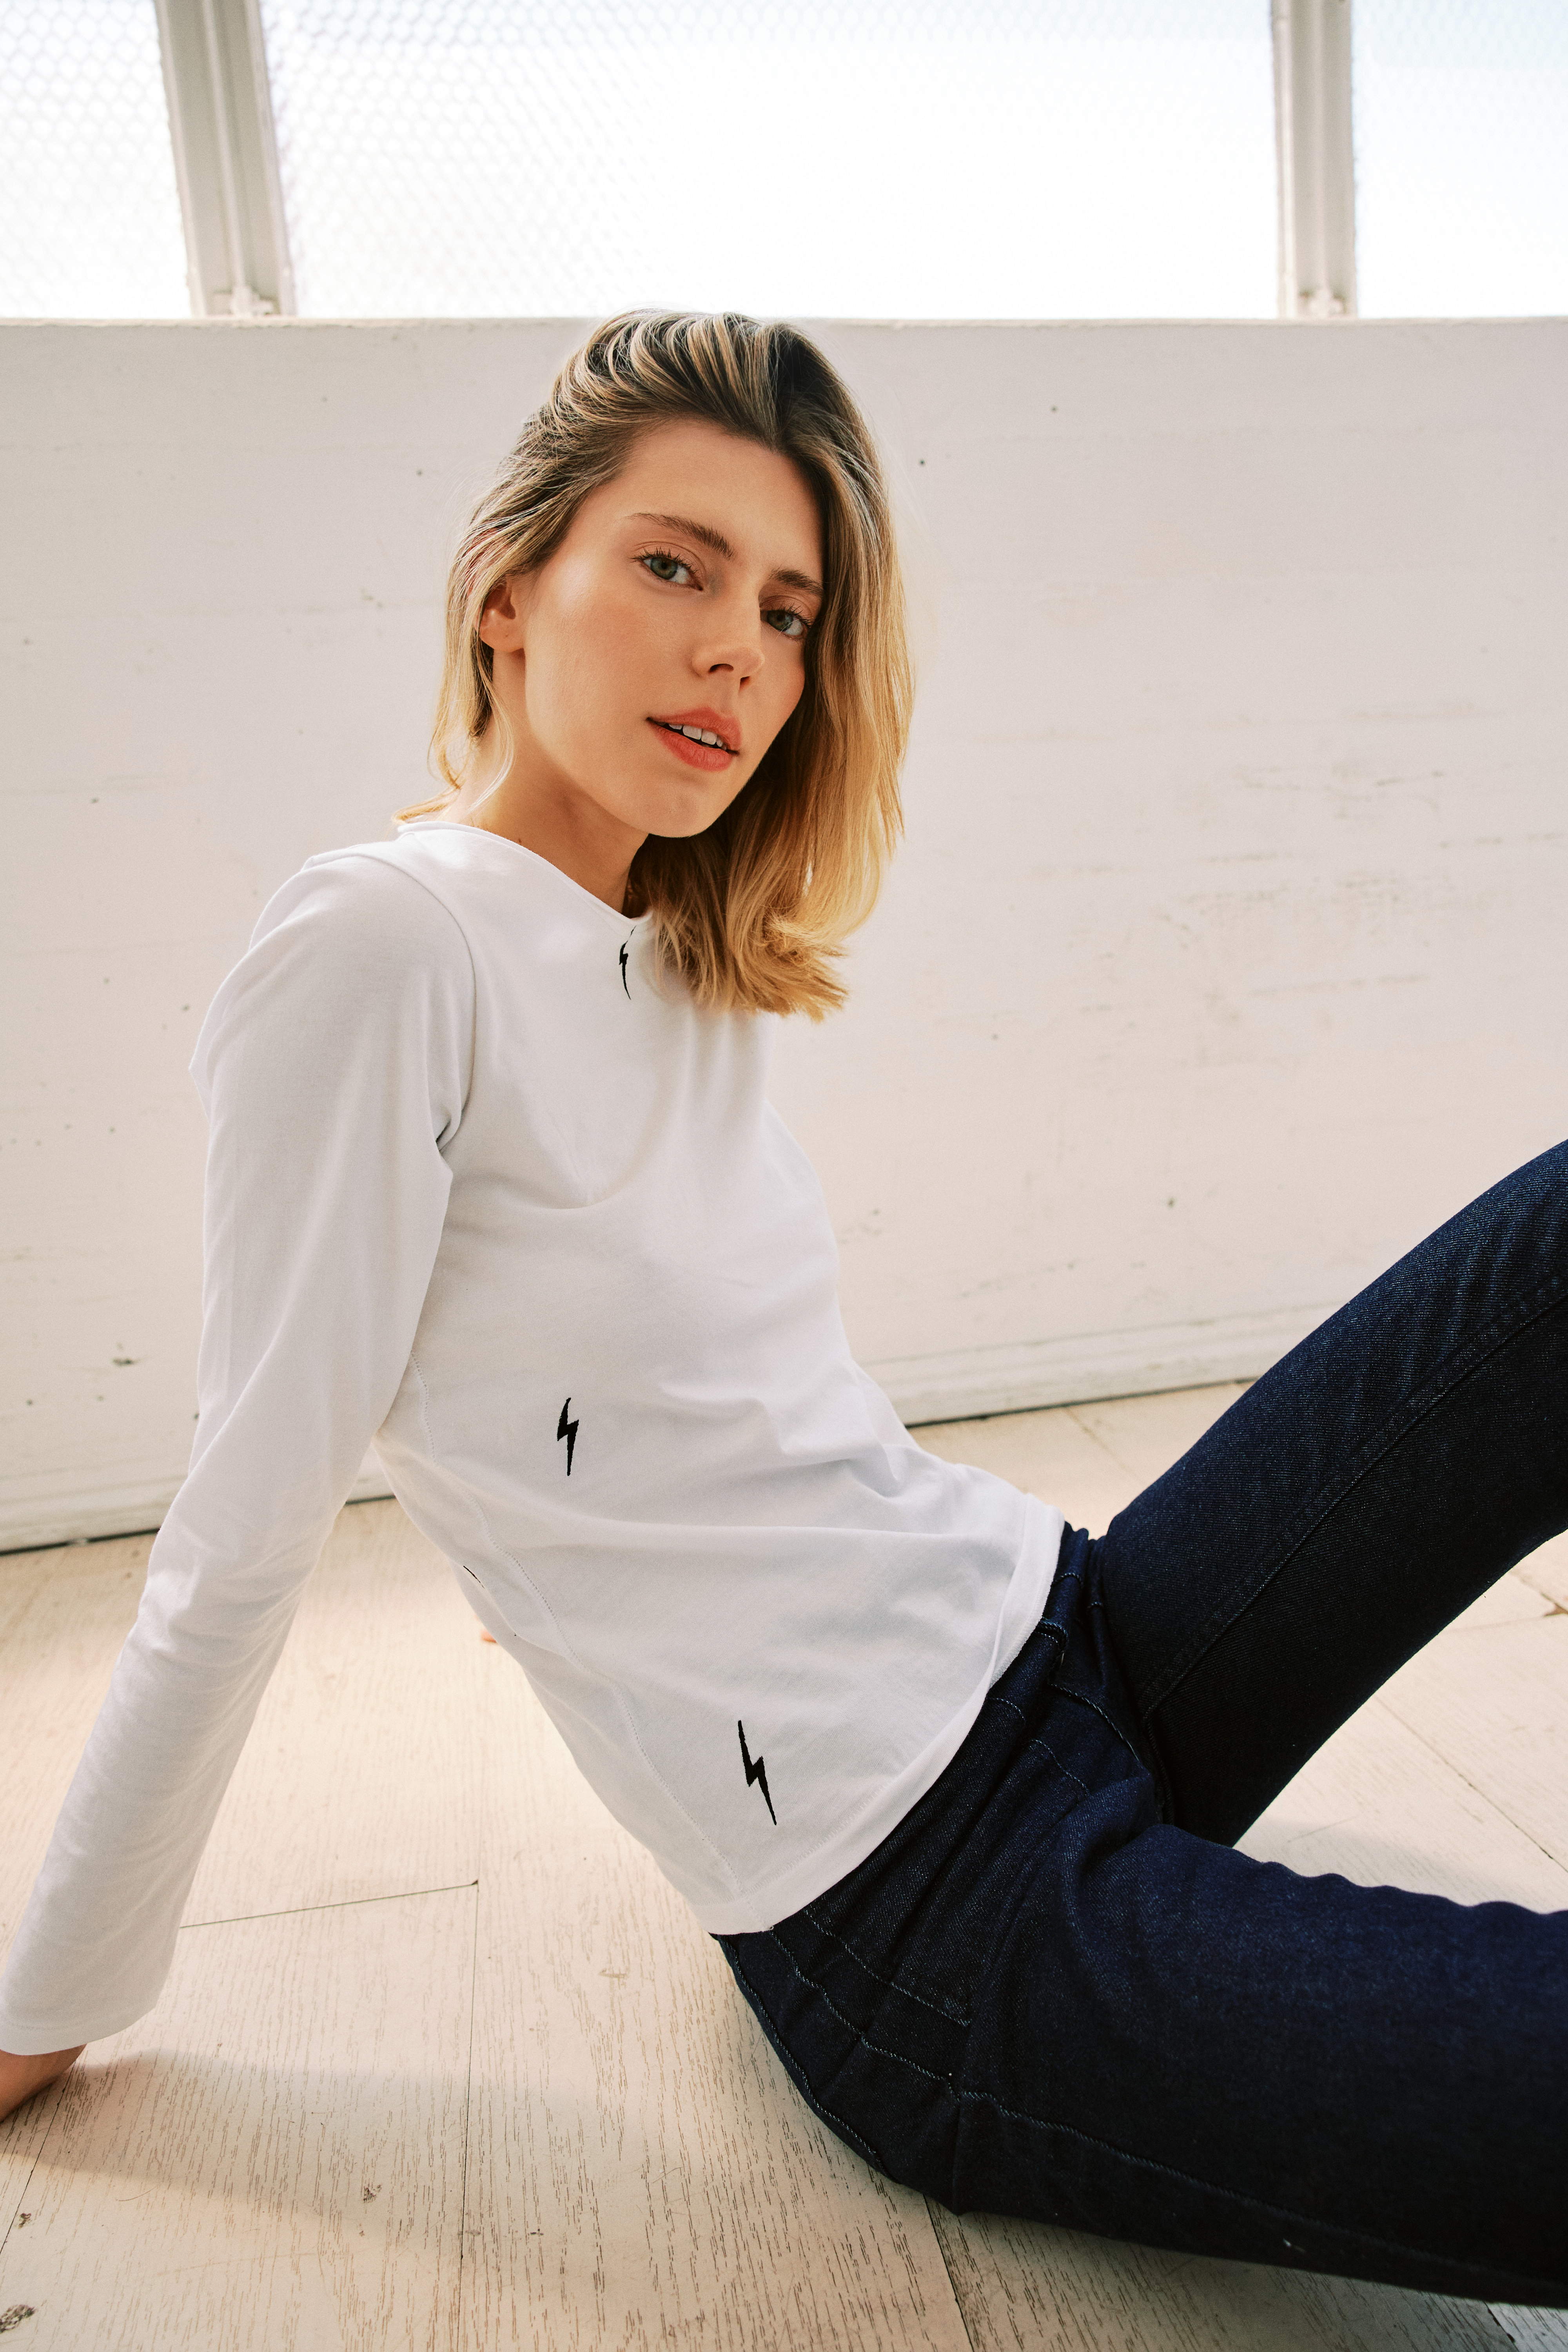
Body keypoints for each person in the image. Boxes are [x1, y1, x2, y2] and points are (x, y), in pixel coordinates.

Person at [2, 310, 1564, 2306]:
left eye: (791, 606)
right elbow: (243, 1523)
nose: (740, 644)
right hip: (926, 1907)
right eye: (673, 564)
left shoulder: (670, 935)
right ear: (506, 593)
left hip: (1074, 1633)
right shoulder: (379, 943)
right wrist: (46, 1996)